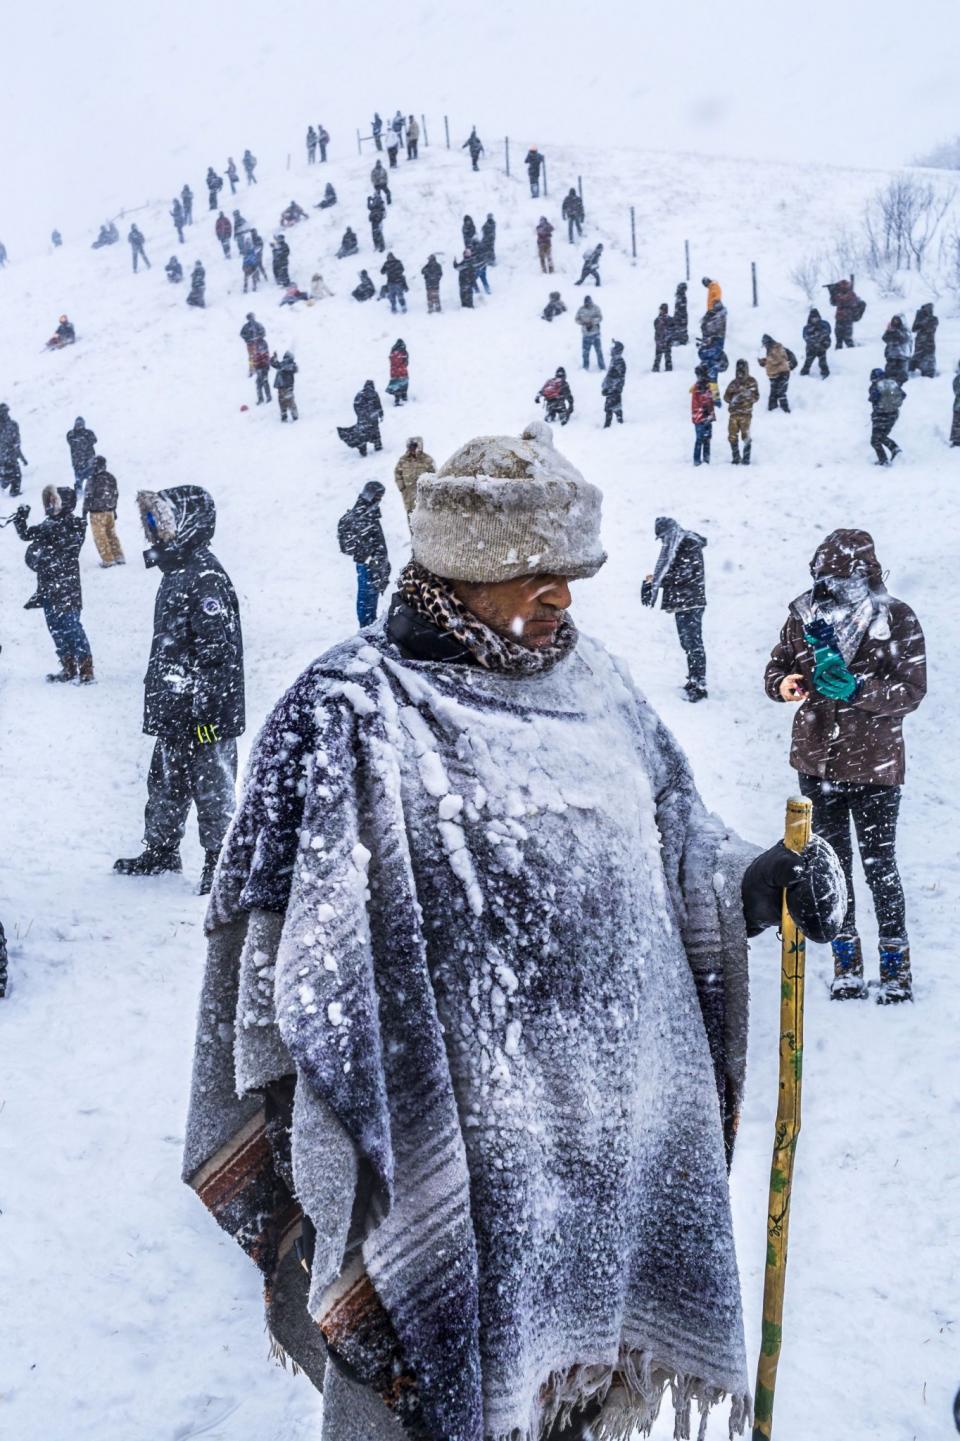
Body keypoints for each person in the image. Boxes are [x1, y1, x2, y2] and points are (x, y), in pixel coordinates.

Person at [182, 421, 844, 1441]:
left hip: (597, 1181)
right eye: (539, 569)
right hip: (446, 1174)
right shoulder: (348, 713)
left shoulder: (598, 684)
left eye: (572, 570)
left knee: (571, 1401)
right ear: (464, 562)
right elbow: (276, 957)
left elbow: (672, 838)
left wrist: (757, 882)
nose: (563, 596)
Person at [764, 528, 925, 1002]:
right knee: (832, 866)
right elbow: (775, 667)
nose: (830, 587)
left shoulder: (896, 617)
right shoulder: (803, 616)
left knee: (881, 867)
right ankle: (845, 961)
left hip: (874, 766)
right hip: (817, 762)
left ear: (865, 574)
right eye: (823, 577)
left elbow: (911, 692)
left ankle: (896, 966)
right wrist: (785, 683)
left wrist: (858, 691)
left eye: (840, 578)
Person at [114, 486, 244, 894]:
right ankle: (161, 849)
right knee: (166, 779)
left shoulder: (204, 575)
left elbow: (217, 652)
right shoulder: (178, 571)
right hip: (176, 705)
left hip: (205, 712)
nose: (154, 534)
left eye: (160, 523)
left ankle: (219, 860)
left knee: (212, 784)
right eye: (149, 524)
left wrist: (205, 711)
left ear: (187, 522)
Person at [13, 486, 93, 683]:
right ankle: (68, 667)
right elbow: (26, 535)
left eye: (53, 501)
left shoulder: (76, 524)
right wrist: (20, 519)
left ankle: (86, 669)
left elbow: (69, 544)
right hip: (48, 587)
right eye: (48, 502)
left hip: (67, 587)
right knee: (55, 628)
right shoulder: (49, 523)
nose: (49, 506)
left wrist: (50, 529)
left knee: (72, 627)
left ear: (64, 502)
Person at [642, 517, 708, 701]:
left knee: (694, 644)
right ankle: (693, 679)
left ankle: (699, 685)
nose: (663, 541)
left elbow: (685, 574)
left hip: (692, 602)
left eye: (663, 536)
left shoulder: (688, 543)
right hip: (683, 602)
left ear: (670, 531)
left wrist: (658, 580)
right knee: (687, 643)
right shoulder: (679, 543)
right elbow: (678, 572)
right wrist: (656, 579)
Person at [338, 480, 391, 626]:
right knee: (366, 601)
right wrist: (369, 557)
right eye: (378, 497)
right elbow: (352, 546)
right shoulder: (361, 516)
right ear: (371, 495)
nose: (379, 500)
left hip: (373, 565)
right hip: (368, 567)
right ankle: (366, 629)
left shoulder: (369, 513)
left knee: (369, 600)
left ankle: (368, 626)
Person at [83, 456, 125, 567]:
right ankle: (118, 556)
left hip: (97, 513)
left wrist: (84, 511)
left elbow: (88, 496)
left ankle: (108, 559)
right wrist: (114, 509)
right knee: (111, 534)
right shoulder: (111, 477)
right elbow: (115, 494)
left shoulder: (93, 479)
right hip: (109, 511)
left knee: (100, 537)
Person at [723, 360, 760, 465]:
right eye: (738, 370)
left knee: (746, 436)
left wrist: (747, 394)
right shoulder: (733, 383)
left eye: (742, 370)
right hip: (734, 414)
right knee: (732, 436)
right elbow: (726, 398)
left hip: (746, 414)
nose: (740, 373)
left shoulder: (752, 382)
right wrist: (732, 394)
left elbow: (756, 397)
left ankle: (746, 458)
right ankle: (736, 457)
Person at [868, 367, 905, 465]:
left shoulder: (875, 387)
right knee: (881, 437)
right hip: (893, 415)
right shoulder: (891, 384)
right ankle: (894, 450)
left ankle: (884, 459)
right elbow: (903, 395)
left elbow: (872, 398)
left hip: (880, 416)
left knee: (875, 440)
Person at [338, 380, 384, 456]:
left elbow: (355, 405)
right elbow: (378, 405)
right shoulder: (374, 394)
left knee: (363, 434)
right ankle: (377, 445)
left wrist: (360, 414)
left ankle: (363, 450)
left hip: (363, 418)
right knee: (375, 431)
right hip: (373, 417)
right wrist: (381, 414)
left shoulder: (359, 394)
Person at [394, 436, 435, 516]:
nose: (412, 449)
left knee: (427, 521)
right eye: (410, 447)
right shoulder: (403, 460)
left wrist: (430, 489)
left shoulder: (427, 460)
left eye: (414, 446)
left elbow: (434, 476)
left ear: (419, 446)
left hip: (425, 498)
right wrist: (402, 488)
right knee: (412, 522)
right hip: (409, 498)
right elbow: (397, 473)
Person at [758, 334, 794, 412]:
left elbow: (777, 360)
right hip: (773, 374)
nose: (765, 344)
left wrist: (765, 361)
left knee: (781, 393)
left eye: (765, 343)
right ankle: (772, 410)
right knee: (773, 393)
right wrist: (762, 362)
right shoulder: (768, 349)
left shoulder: (777, 347)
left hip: (782, 373)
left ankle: (786, 411)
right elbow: (769, 362)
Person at [826, 278, 864, 348]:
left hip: (848, 319)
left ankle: (852, 354)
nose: (840, 288)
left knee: (847, 339)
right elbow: (833, 303)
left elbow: (847, 302)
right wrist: (831, 292)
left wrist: (834, 292)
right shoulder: (839, 294)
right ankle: (839, 355)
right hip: (839, 319)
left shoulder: (851, 294)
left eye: (842, 286)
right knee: (838, 339)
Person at [0, 403, 27, 497]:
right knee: (10, 475)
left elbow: (17, 442)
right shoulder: (11, 424)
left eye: (5, 412)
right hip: (4, 456)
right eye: (3, 412)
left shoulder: (13, 424)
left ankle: (13, 490)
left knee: (16, 475)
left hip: (11, 455)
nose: (5, 414)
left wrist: (22, 457)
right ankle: (5, 484)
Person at [66, 416, 98, 493]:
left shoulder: (88, 433)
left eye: (81, 424)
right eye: (78, 424)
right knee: (78, 482)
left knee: (91, 481)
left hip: (89, 462)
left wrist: (83, 439)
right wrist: (83, 440)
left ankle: (92, 493)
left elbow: (94, 440)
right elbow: (71, 441)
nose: (79, 426)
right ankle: (78, 495)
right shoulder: (71, 434)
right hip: (78, 464)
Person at [690, 370, 715, 465]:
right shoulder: (697, 389)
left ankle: (706, 459)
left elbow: (711, 401)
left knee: (707, 439)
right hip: (700, 418)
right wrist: (704, 413)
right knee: (700, 439)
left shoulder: (709, 387)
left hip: (706, 417)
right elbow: (695, 404)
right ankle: (697, 460)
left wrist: (709, 414)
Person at [800, 309, 832, 378]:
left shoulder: (823, 325)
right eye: (813, 318)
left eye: (816, 318)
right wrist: (814, 341)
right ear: (810, 318)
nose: (815, 320)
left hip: (821, 348)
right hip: (811, 349)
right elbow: (806, 337)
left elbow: (827, 335)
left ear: (819, 317)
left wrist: (824, 343)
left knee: (823, 362)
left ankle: (825, 374)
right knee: (808, 362)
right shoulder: (807, 328)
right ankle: (803, 374)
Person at [576, 296, 605, 370]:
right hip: (586, 335)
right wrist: (583, 323)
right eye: (586, 303)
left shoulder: (596, 308)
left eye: (589, 302)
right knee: (585, 353)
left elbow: (600, 318)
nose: (587, 304)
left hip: (596, 334)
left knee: (599, 352)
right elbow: (576, 319)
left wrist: (592, 322)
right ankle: (585, 368)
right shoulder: (581, 309)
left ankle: (602, 367)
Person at [601, 340, 626, 427]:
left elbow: (618, 378)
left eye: (614, 348)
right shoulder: (615, 360)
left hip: (614, 389)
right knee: (611, 407)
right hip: (611, 388)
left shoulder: (619, 362)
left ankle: (615, 424)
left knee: (613, 407)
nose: (612, 350)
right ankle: (610, 424)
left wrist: (612, 389)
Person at [910, 303, 938, 377]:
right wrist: (918, 317)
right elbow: (914, 329)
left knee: (928, 365)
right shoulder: (920, 319)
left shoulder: (934, 319)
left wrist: (923, 320)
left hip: (929, 345)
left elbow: (930, 328)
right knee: (914, 362)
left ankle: (928, 376)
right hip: (919, 344)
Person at [883, 315, 912, 385]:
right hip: (891, 356)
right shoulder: (890, 330)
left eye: (897, 320)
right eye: (894, 320)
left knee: (902, 376)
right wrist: (889, 331)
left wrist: (895, 331)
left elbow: (905, 339)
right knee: (889, 374)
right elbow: (885, 338)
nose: (896, 322)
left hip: (902, 356)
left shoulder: (905, 330)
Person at [271, 351, 299, 420]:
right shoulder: (282, 364)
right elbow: (274, 364)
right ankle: (284, 415)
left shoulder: (291, 365)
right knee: (282, 402)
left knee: (290, 402)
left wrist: (281, 365)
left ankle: (294, 415)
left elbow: (290, 368)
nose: (285, 360)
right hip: (281, 387)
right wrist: (273, 358)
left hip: (287, 388)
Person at [387, 340, 409, 406]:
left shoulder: (392, 351)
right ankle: (404, 397)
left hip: (394, 371)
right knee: (404, 384)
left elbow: (391, 360)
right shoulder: (404, 351)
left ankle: (397, 399)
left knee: (396, 385)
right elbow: (406, 362)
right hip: (402, 371)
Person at [251, 336, 272, 404]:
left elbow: (264, 354)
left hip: (263, 366)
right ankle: (261, 398)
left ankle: (268, 397)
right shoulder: (255, 344)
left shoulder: (262, 343)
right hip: (258, 367)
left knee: (264, 381)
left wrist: (264, 363)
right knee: (258, 383)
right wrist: (254, 364)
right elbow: (254, 356)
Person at [653, 303, 673, 371]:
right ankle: (656, 368)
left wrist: (667, 337)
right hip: (660, 341)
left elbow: (672, 329)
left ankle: (668, 368)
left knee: (667, 355)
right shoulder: (657, 319)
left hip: (666, 341)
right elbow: (656, 329)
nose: (660, 311)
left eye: (661, 309)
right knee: (658, 356)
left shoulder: (669, 319)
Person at [951, 361, 960, 446]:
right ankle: (957, 440)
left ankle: (957, 439)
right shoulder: (958, 379)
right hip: (958, 406)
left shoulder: (957, 379)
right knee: (957, 423)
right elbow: (957, 391)